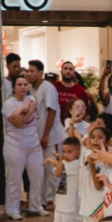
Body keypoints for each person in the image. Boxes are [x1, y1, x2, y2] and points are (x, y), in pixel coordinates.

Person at [1, 76, 47, 221]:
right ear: (13, 87)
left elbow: (30, 108)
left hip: (33, 145)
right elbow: (20, 123)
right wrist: (28, 109)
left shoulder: (31, 98)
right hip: (15, 145)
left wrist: (22, 108)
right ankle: (13, 209)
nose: (22, 87)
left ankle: (35, 205)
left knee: (38, 176)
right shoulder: (8, 104)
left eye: (25, 84)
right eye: (19, 84)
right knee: (15, 179)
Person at [28, 60, 67, 208]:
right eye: (28, 71)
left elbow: (52, 110)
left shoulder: (48, 87)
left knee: (54, 170)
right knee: (43, 169)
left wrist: (46, 135)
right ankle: (45, 200)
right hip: (39, 138)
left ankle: (57, 200)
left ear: (40, 73)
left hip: (53, 137)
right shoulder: (32, 90)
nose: (29, 74)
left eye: (32, 71)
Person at [44, 137, 83, 222]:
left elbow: (61, 169)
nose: (65, 154)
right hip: (61, 201)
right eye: (64, 151)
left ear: (78, 153)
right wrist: (57, 160)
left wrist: (56, 160)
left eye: (69, 152)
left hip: (71, 203)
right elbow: (58, 173)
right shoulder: (64, 163)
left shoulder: (77, 164)